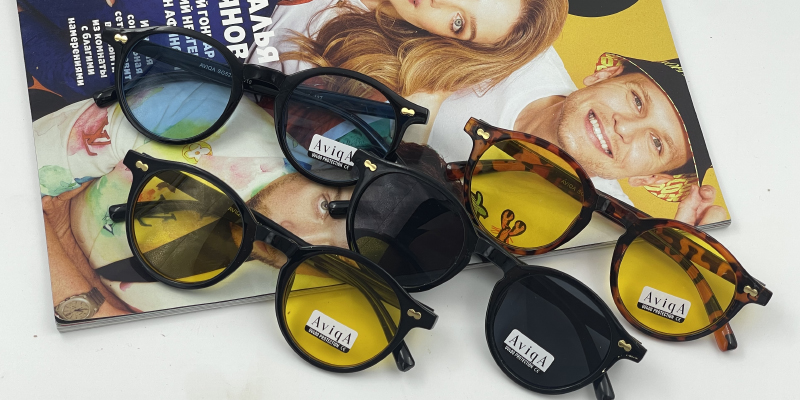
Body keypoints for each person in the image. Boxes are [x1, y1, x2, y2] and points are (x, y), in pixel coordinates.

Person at [248, 0, 572, 144]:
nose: (439, 1)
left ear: (450, 42)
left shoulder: (361, 74)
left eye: (458, 22)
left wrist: (434, 87)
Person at [510, 53, 726, 226]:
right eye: (637, 100)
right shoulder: (513, 45)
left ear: (649, 178)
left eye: (657, 143)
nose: (624, 127)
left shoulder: (612, 231)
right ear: (605, 75)